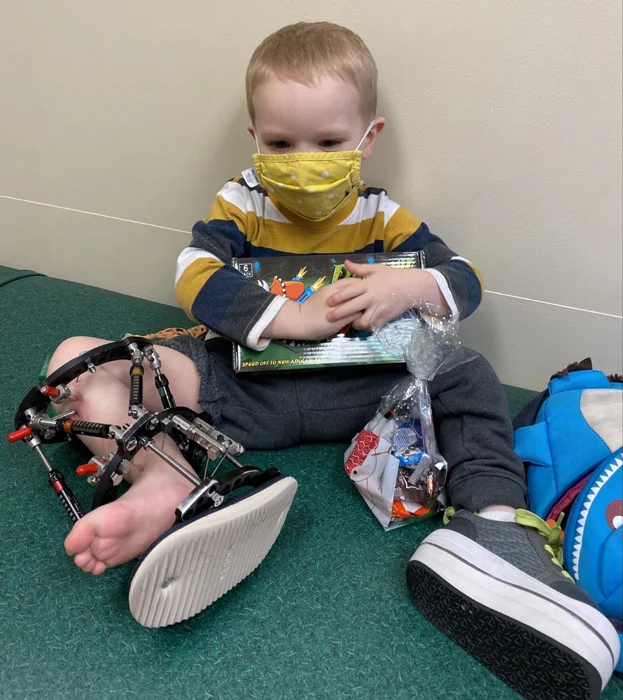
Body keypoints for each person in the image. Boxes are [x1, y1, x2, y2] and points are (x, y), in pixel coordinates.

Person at [48, 21, 618, 698]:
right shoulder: (241, 203)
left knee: (465, 370)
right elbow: (195, 271)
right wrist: (289, 318)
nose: (302, 158)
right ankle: (164, 480)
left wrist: (408, 285)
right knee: (79, 359)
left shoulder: (382, 215)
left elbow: (462, 276)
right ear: (254, 136)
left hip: (368, 400)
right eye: (280, 142)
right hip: (239, 398)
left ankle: (491, 526)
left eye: (326, 142)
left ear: (366, 139)